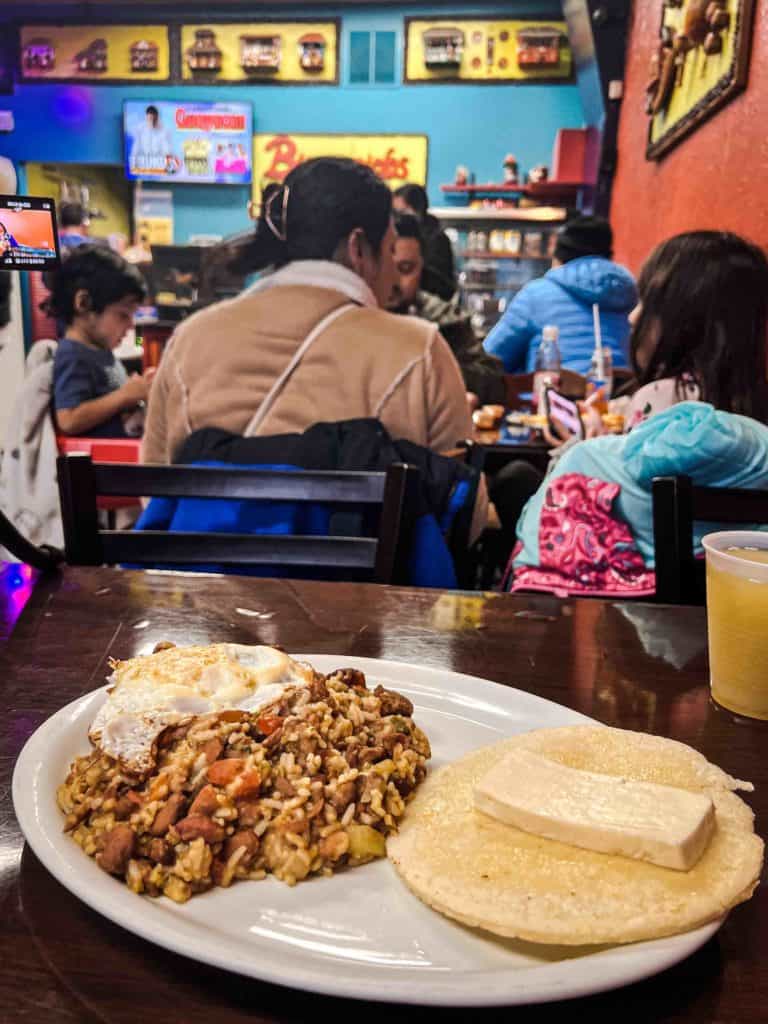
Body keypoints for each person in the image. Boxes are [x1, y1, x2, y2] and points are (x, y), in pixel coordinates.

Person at [142, 157, 473, 465]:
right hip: (357, 531)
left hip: (203, 529)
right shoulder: (418, 350)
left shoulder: (190, 340)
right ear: (358, 248)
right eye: (388, 251)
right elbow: (464, 511)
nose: (393, 275)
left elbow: (152, 485)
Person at [507, 230, 768, 598]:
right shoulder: (755, 418)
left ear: (684, 323)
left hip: (645, 611)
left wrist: (585, 450)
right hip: (732, 604)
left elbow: (628, 489)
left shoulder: (659, 399)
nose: (632, 317)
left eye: (647, 303)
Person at [483, 214, 637, 375]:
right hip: (621, 395)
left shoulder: (536, 295)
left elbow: (490, 359)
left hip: (553, 395)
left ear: (558, 259)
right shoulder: (631, 295)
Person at [388, 212, 505, 405]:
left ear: (422, 267)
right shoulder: (350, 318)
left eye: (406, 269)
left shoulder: (444, 318)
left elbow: (492, 381)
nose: (393, 280)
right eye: (386, 267)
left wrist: (435, 368)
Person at [45, 245, 153, 437]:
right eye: (123, 315)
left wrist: (137, 388)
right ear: (84, 303)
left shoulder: (99, 350)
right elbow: (68, 419)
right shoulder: (73, 355)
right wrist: (124, 396)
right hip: (103, 464)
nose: (130, 326)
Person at [393, 183, 456, 300]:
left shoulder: (436, 240)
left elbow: (442, 285)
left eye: (401, 212)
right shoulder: (394, 236)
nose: (397, 218)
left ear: (418, 211)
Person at [129, 104, 172, 175]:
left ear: (157, 117)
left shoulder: (164, 130)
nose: (151, 120)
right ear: (146, 117)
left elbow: (166, 149)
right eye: (149, 118)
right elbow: (135, 147)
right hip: (144, 164)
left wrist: (168, 164)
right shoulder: (140, 128)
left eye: (153, 118)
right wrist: (133, 165)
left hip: (159, 164)